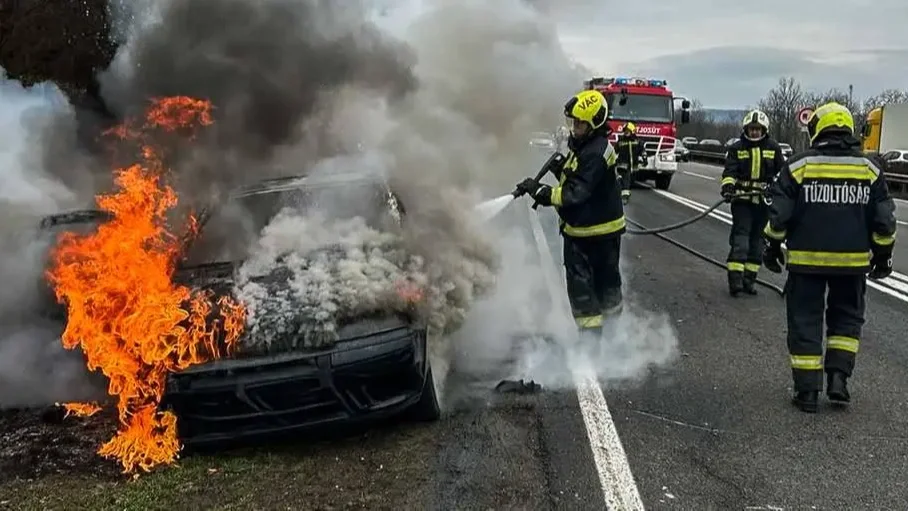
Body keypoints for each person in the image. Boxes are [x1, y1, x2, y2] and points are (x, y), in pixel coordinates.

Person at [762, 101, 896, 413]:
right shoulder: (870, 169)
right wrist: (883, 255)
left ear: (817, 129)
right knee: (847, 320)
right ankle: (839, 382)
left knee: (805, 320)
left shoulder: (799, 166)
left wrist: (771, 248)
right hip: (852, 266)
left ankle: (807, 392)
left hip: (806, 264)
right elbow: (884, 220)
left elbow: (779, 216)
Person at [515, 89, 626, 334]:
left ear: (594, 123)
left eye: (580, 124)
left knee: (583, 291)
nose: (575, 128)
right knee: (606, 285)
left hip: (588, 234)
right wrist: (560, 168)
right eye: (574, 123)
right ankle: (613, 336)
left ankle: (593, 342)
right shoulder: (589, 146)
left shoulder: (596, 153)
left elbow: (574, 193)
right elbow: (577, 175)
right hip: (596, 231)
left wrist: (541, 192)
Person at [720, 109, 785, 296]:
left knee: (758, 242)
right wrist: (728, 187)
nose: (754, 132)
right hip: (742, 201)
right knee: (741, 240)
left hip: (764, 203)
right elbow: (729, 172)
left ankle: (749, 281)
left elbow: (782, 173)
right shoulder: (737, 148)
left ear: (764, 129)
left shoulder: (773, 148)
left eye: (758, 129)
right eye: (751, 129)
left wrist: (775, 187)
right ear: (746, 129)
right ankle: (735, 282)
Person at [615, 122, 648, 204]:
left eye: (628, 131)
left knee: (629, 181)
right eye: (625, 131)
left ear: (632, 131)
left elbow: (643, 151)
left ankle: (622, 187)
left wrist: (645, 160)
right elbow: (615, 151)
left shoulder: (637, 141)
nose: (626, 132)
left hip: (633, 166)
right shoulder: (621, 141)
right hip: (623, 165)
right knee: (626, 180)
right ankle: (624, 198)